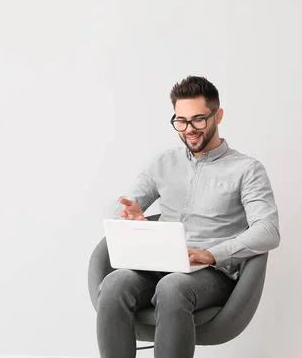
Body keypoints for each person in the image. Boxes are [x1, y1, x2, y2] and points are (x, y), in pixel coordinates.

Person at [95, 76, 280, 358]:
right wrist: (128, 218)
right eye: (180, 121)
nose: (189, 130)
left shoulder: (247, 169)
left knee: (173, 287)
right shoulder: (163, 163)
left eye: (198, 120)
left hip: (211, 274)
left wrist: (212, 254)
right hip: (159, 265)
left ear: (217, 115)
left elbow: (268, 230)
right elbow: (120, 207)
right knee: (114, 283)